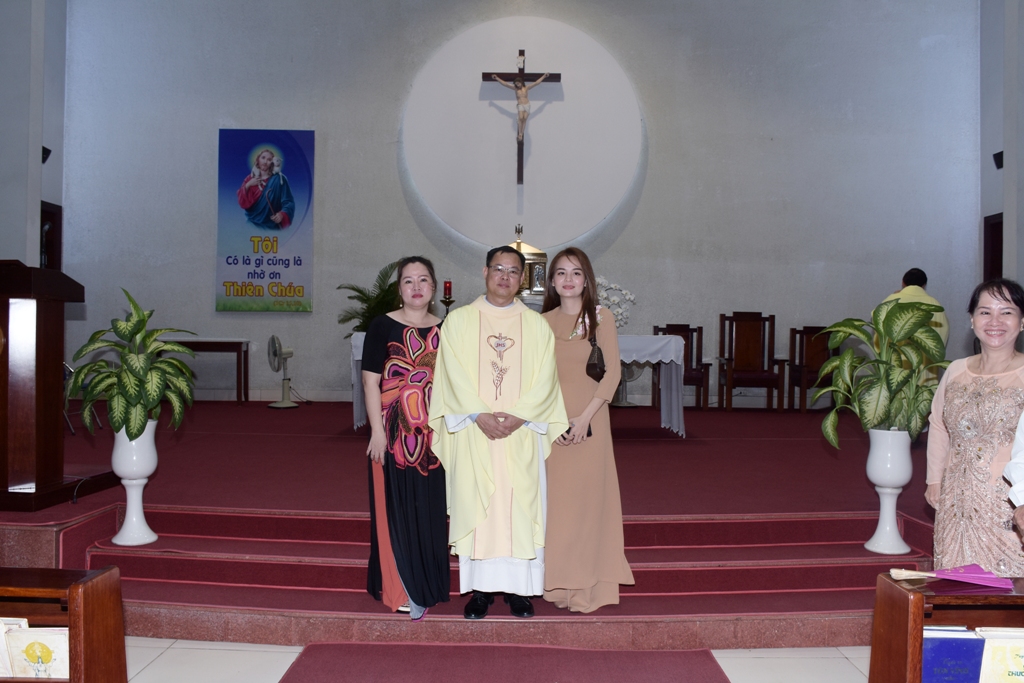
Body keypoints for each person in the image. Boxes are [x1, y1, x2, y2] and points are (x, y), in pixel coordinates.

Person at [427, 245, 568, 619]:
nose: (505, 276)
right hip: (475, 433)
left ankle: (520, 590)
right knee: (479, 506)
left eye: (513, 271)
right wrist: (477, 414)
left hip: (521, 435)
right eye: (498, 269)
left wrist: (521, 416)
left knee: (519, 507)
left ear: (522, 278)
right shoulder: (459, 321)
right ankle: (481, 591)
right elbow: (451, 374)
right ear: (485, 272)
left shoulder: (536, 326)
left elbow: (546, 379)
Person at [540, 248, 634, 612]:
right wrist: (555, 420)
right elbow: (536, 380)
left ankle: (590, 587)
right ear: (551, 281)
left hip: (592, 423)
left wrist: (585, 418)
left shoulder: (600, 318)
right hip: (554, 427)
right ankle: (559, 587)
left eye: (576, 272)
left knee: (590, 505)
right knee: (560, 510)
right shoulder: (541, 323)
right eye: (561, 273)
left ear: (586, 280)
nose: (568, 279)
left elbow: (613, 373)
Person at [363, 256, 449, 620]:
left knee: (428, 512)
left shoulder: (447, 327)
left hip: (434, 438)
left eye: (423, 279)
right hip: (393, 435)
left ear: (433, 287)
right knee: (396, 513)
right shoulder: (382, 325)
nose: (416, 287)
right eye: (409, 281)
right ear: (399, 289)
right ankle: (398, 588)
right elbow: (370, 381)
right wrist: (377, 432)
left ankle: (427, 582)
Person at [926, 278, 1024, 576]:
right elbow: (938, 424)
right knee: (954, 586)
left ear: (1022, 321)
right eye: (985, 312)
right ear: (971, 319)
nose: (995, 321)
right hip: (955, 500)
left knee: (1008, 589)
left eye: (1006, 312)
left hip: (1008, 502)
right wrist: (934, 480)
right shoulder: (956, 370)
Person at [237, 148, 295, 230]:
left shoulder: (279, 179)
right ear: (258, 159)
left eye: (269, 159)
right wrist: (248, 185)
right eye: (263, 158)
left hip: (272, 226)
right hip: (252, 224)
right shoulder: (249, 179)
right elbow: (242, 202)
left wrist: (282, 214)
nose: (265, 162)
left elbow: (289, 201)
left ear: (272, 163)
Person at [491, 72, 550, 141]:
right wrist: (497, 78)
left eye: (518, 83)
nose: (517, 85)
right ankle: (520, 133)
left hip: (527, 104)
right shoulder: (515, 89)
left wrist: (544, 76)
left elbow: (536, 83)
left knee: (524, 119)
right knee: (521, 118)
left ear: (521, 82)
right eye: (516, 84)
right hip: (520, 105)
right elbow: (506, 84)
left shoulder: (526, 87)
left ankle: (522, 133)